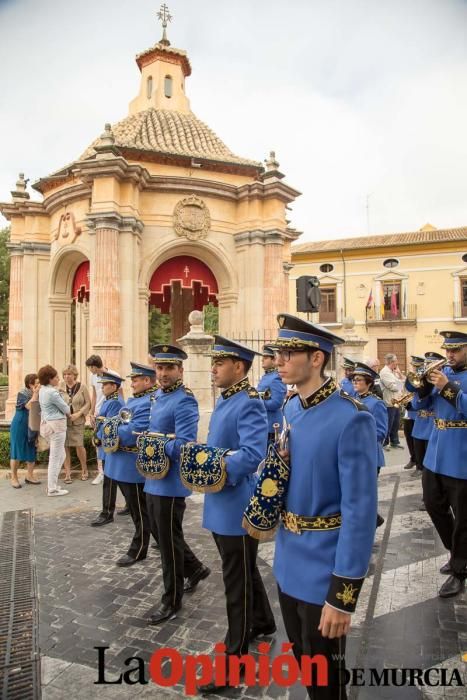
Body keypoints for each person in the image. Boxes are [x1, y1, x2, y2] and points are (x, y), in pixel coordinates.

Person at [272, 315, 377, 699]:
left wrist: (342, 596)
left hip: (324, 571)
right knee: (304, 662)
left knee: (326, 683)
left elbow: (361, 513)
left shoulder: (352, 418)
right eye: (278, 353)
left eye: (288, 353)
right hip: (287, 560)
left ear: (316, 358)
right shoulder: (290, 410)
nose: (278, 360)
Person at [197, 336, 276, 695]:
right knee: (243, 569)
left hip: (236, 505)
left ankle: (235, 660)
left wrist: (215, 465)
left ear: (239, 367)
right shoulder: (227, 398)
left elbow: (252, 453)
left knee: (236, 583)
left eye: (220, 362)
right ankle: (262, 620)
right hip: (221, 501)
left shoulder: (249, 402)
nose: (213, 368)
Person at [144, 345, 210, 625]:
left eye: (169, 368)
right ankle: (194, 569)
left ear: (180, 370)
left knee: (168, 545)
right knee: (162, 535)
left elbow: (185, 444)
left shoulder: (184, 400)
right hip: (152, 478)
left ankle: (171, 601)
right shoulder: (157, 395)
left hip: (170, 484)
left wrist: (155, 441)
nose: (163, 373)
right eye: (159, 368)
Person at [410, 332, 467, 598]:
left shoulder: (450, 379)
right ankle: (456, 552)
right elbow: (420, 405)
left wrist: (447, 387)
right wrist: (421, 389)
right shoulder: (442, 373)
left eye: (456, 350)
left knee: (464, 519)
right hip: (436, 451)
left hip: (461, 456)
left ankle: (459, 571)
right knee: (433, 504)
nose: (450, 355)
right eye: (448, 350)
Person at [103, 362, 156, 566]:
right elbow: (117, 422)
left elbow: (134, 432)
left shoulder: (148, 402)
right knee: (142, 512)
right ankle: (191, 565)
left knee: (140, 512)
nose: (131, 383)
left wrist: (111, 427)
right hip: (123, 464)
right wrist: (113, 425)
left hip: (132, 466)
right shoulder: (136, 400)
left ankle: (139, 549)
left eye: (135, 379)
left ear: (146, 380)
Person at [351, 361, 388, 527]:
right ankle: (372, 519)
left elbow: (381, 433)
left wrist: (359, 436)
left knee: (365, 492)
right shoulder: (352, 400)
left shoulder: (377, 403)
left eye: (359, 380)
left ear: (369, 383)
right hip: (354, 453)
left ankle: (369, 522)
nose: (355, 382)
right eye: (354, 380)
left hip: (369, 455)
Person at [90, 371, 125, 526]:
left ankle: (107, 513)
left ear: (114, 386)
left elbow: (109, 426)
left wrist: (97, 436)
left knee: (109, 481)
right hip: (106, 447)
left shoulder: (115, 402)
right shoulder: (109, 400)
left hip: (109, 446)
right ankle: (130, 506)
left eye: (105, 385)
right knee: (119, 480)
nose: (102, 387)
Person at [86, 354, 121, 486]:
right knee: (98, 442)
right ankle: (101, 472)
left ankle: (111, 470)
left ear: (94, 367)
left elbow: (120, 393)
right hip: (98, 412)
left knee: (111, 439)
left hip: (112, 410)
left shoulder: (113, 375)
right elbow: (94, 395)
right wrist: (91, 412)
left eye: (90, 367)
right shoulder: (93, 377)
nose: (90, 370)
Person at [38, 364, 71, 497]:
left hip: (49, 425)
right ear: (50, 379)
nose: (58, 379)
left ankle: (53, 484)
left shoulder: (42, 390)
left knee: (60, 455)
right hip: (56, 426)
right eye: (56, 377)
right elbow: (66, 409)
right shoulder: (52, 392)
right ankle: (52, 488)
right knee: (55, 457)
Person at [59, 365, 91, 483]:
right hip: (64, 421)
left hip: (78, 421)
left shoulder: (82, 387)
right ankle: (67, 473)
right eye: (65, 374)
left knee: (79, 445)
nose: (67, 377)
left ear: (74, 375)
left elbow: (88, 403)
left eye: (69, 374)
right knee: (65, 446)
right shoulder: (60, 387)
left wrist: (79, 413)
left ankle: (84, 469)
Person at [9, 373, 41, 488]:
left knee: (32, 449)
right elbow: (29, 406)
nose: (39, 385)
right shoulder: (22, 393)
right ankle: (14, 477)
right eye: (37, 383)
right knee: (16, 451)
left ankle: (29, 475)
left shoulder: (39, 394)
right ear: (30, 384)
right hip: (20, 424)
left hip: (32, 424)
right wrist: (35, 394)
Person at [257, 344, 287, 442]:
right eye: (263, 357)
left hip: (271, 426)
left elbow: (276, 403)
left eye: (266, 357)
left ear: (274, 360)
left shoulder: (276, 377)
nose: (262, 360)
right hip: (263, 424)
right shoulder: (266, 377)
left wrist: (257, 403)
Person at [402, 355, 425, 470]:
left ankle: (419, 462)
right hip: (409, 414)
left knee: (419, 442)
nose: (415, 369)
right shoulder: (411, 377)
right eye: (414, 366)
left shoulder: (424, 378)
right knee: (409, 437)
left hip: (418, 414)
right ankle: (413, 458)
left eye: (418, 366)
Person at [379, 353, 405, 450]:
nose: (397, 362)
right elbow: (393, 387)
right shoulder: (385, 372)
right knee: (388, 423)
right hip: (389, 402)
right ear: (392, 362)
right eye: (396, 360)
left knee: (395, 423)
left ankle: (395, 442)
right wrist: (401, 384)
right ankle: (384, 443)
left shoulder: (392, 372)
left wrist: (399, 375)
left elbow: (402, 381)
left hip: (396, 401)